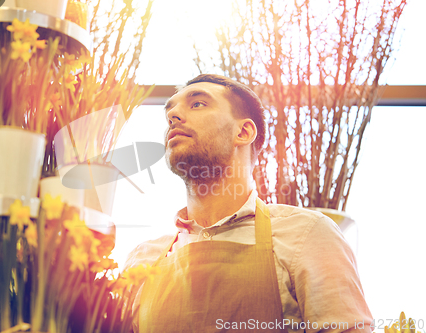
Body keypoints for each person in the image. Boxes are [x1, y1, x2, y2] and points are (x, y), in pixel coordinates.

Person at [124, 74, 373, 333]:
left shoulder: (308, 235)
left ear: (243, 132)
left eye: (197, 104)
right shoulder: (141, 261)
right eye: (170, 110)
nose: (173, 115)